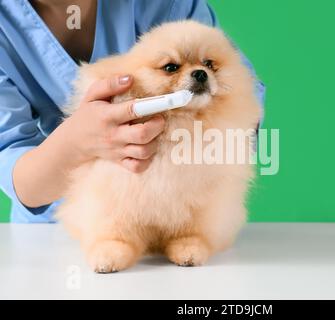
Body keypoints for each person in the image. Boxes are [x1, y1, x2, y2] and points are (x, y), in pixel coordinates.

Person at [0, 0, 264, 223]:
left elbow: (241, 96)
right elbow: (16, 170)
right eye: (170, 67)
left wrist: (192, 142)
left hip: (187, 219)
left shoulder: (164, 4)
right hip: (55, 235)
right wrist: (75, 147)